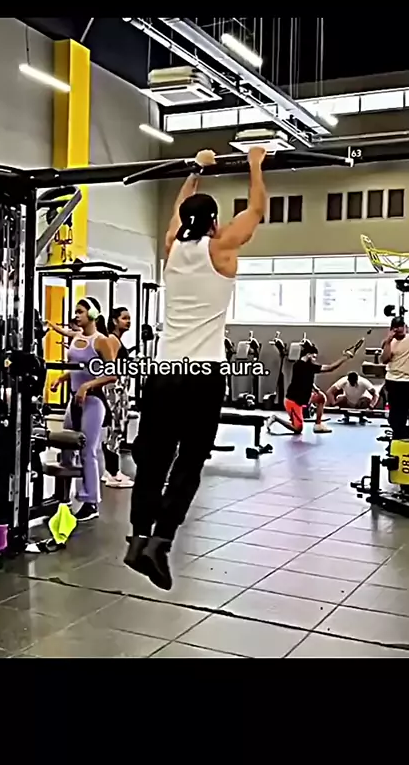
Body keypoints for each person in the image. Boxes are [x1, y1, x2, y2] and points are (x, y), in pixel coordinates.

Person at [124, 145, 268, 590]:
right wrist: (255, 164)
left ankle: (138, 538)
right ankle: (161, 542)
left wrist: (195, 171)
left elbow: (177, 211)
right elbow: (257, 211)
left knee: (153, 460)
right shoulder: (221, 248)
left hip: (163, 372)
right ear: (214, 222)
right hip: (202, 376)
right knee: (190, 459)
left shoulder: (171, 247)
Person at [51, 297, 116, 521]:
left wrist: (87, 386)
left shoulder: (101, 341)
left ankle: (91, 502)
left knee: (88, 451)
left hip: (93, 402)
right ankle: (63, 497)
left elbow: (112, 374)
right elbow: (79, 368)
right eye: (76, 312)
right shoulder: (77, 337)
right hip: (75, 400)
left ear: (93, 314)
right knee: (65, 448)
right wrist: (62, 378)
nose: (76, 315)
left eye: (80, 311)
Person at [267, 342, 355, 435]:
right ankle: (275, 418)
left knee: (321, 398)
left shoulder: (303, 366)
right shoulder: (304, 366)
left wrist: (315, 388)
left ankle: (318, 425)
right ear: (308, 355)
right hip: (293, 402)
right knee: (298, 429)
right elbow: (330, 368)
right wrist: (345, 358)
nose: (314, 359)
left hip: (306, 398)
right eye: (313, 357)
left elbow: (304, 379)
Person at [101, 306, 134, 489]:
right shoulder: (112, 340)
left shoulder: (116, 340)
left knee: (117, 430)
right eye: (124, 318)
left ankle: (112, 471)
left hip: (119, 391)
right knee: (115, 430)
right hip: (115, 391)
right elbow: (110, 368)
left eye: (129, 318)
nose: (128, 321)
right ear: (115, 321)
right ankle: (112, 472)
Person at [381, 316, 409, 439]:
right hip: (393, 379)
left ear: (405, 327)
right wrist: (388, 341)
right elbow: (384, 360)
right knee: (395, 410)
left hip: (408, 380)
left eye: (401, 326)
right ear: (392, 329)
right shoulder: (389, 343)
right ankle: (397, 432)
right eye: (396, 327)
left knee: (408, 408)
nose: (399, 329)